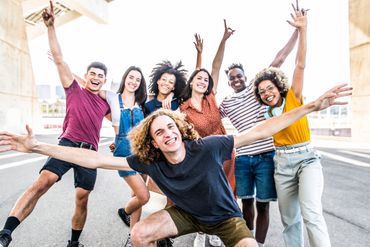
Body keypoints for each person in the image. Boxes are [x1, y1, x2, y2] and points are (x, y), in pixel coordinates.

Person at [0, 83, 351, 247]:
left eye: (170, 127)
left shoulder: (209, 147)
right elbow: (93, 157)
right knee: (139, 234)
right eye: (158, 132)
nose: (166, 133)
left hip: (226, 219)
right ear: (152, 142)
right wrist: (38, 147)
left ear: (180, 131)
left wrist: (310, 107)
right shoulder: (149, 161)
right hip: (185, 215)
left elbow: (261, 129)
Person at [0, 2, 110, 247]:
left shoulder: (106, 104)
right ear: (86, 75)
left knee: (82, 198)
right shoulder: (73, 89)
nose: (96, 77)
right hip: (66, 144)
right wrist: (50, 27)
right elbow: (60, 59)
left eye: (101, 76)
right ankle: (5, 233)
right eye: (92, 73)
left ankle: (74, 242)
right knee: (42, 182)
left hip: (88, 153)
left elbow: (124, 119)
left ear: (105, 81)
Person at [217, 10, 299, 247]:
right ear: (228, 81)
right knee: (246, 204)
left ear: (245, 76)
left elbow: (279, 59)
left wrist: (297, 31)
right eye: (231, 78)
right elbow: (209, 114)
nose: (236, 80)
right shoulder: (227, 103)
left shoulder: (256, 88)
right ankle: (246, 241)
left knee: (263, 205)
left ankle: (259, 244)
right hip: (243, 159)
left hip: (266, 157)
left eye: (239, 76)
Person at [253, 6, 331, 247]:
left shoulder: (294, 97)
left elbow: (299, 64)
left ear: (278, 86)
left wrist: (303, 31)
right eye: (262, 91)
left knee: (311, 213)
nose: (267, 93)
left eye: (270, 88)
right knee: (290, 220)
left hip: (307, 159)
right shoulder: (265, 113)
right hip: (282, 164)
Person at [180, 20, 235, 247]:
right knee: (205, 194)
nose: (203, 81)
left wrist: (223, 40)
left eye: (205, 80)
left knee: (226, 194)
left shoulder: (211, 97)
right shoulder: (183, 109)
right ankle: (201, 231)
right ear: (191, 81)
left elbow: (215, 65)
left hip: (225, 152)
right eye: (198, 78)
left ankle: (218, 231)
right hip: (202, 157)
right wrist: (198, 56)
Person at [102, 66, 149, 246]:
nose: (133, 81)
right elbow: (89, 85)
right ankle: (125, 211)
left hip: (141, 152)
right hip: (123, 154)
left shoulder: (142, 102)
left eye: (137, 79)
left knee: (136, 195)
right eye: (131, 77)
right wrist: (61, 63)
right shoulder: (113, 98)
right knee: (142, 196)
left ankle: (132, 237)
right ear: (125, 78)